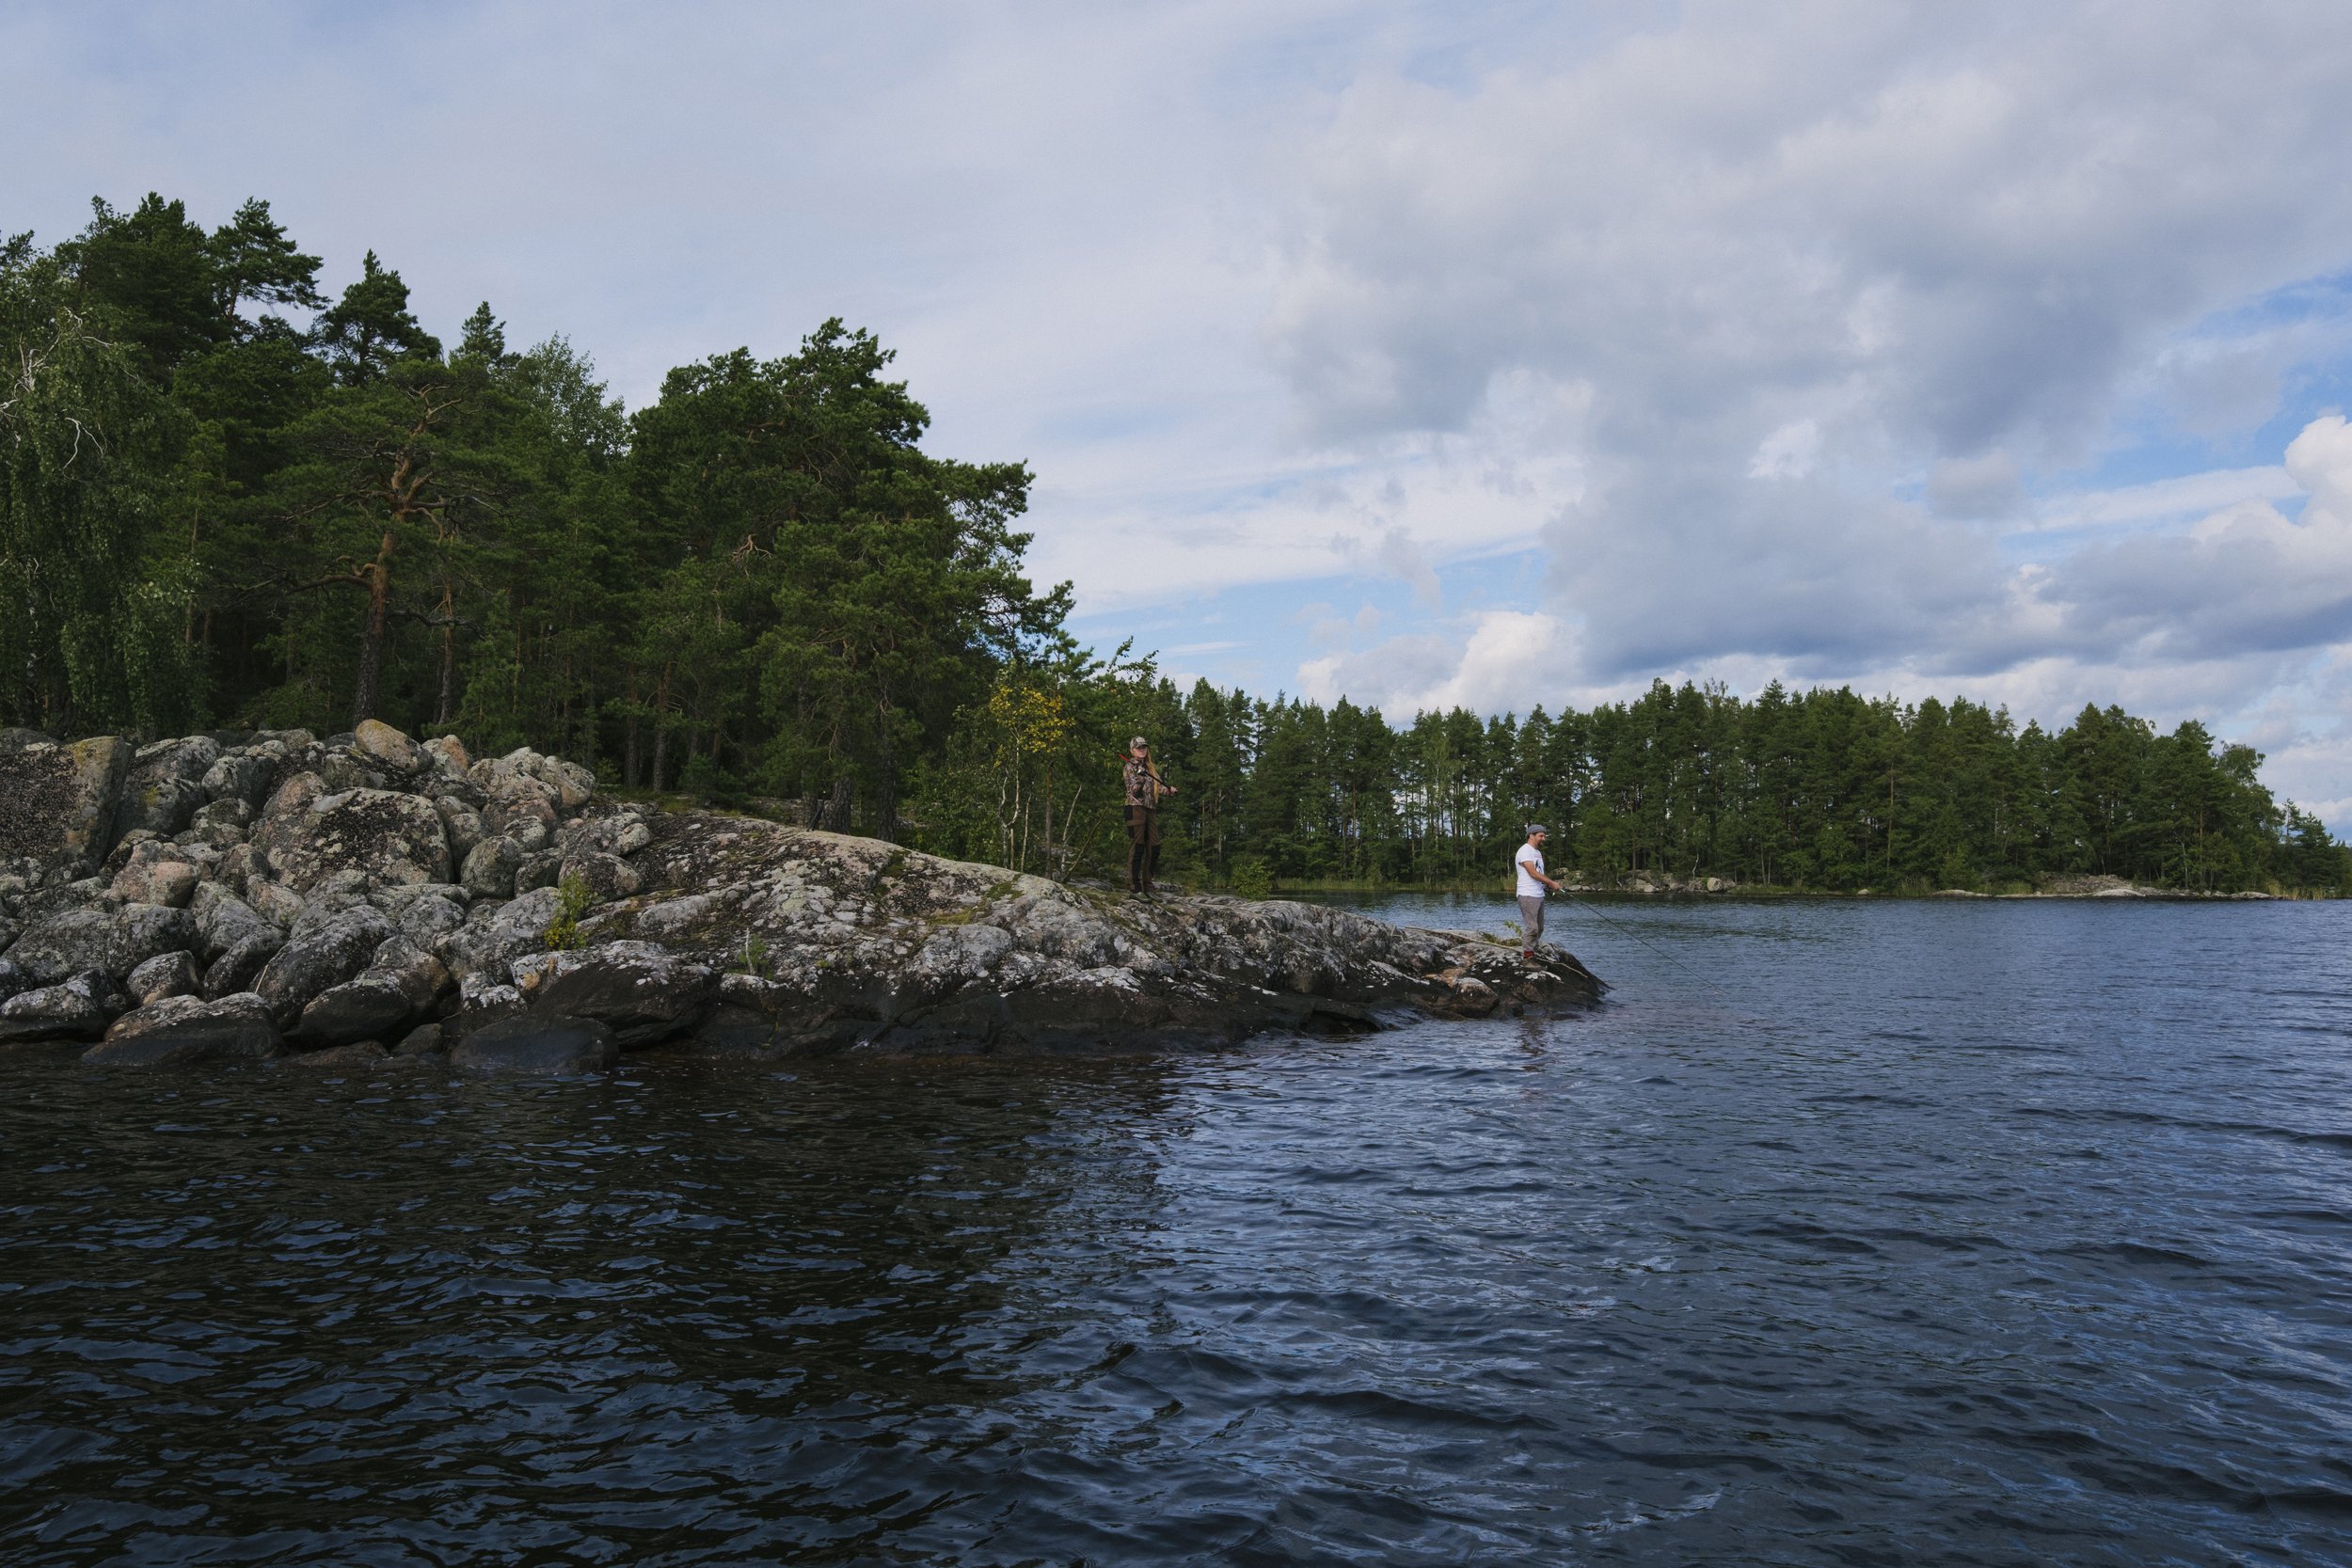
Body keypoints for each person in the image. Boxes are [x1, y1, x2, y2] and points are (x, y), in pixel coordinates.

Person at [1123, 736, 1177, 895]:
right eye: (1139, 748)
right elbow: (1132, 789)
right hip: (1134, 809)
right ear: (1132, 750)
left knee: (1154, 848)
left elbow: (1158, 788)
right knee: (1137, 848)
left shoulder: (1151, 768)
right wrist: (1140, 776)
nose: (1142, 750)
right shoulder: (1129, 767)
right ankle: (1135, 887)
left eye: (1144, 747)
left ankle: (1148, 885)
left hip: (1150, 810)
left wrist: (1169, 791)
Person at [1515, 824, 1565, 959]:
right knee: (1533, 928)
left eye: (1544, 836)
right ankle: (1528, 958)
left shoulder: (1537, 852)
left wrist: (1546, 886)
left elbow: (1539, 873)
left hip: (1538, 894)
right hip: (1527, 894)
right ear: (1531, 836)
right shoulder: (1525, 850)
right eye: (1541, 836)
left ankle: (1532, 950)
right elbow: (1532, 873)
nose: (1544, 838)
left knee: (1540, 927)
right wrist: (1551, 882)